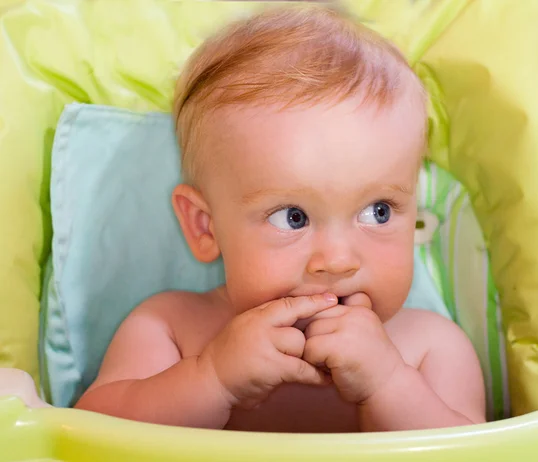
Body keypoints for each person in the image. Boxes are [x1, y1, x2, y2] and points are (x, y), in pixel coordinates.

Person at [75, 5, 486, 433]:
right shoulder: (171, 330)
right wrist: (211, 378)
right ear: (205, 226)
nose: (338, 260)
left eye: (378, 211)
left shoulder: (431, 349)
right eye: (293, 217)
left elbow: (483, 455)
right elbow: (87, 436)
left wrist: (388, 382)